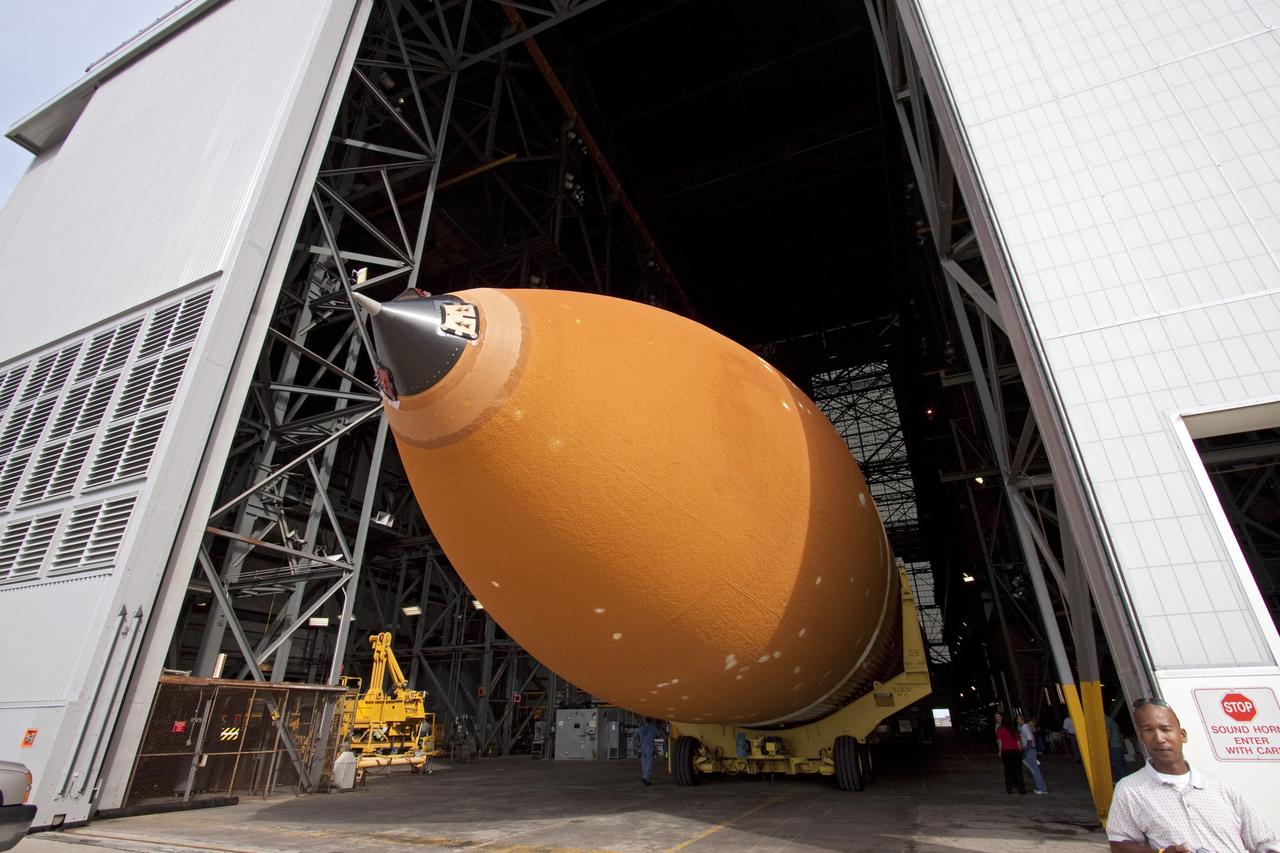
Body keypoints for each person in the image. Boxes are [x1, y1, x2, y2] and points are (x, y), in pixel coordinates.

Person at [1107, 698, 1280, 853]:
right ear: (1141, 737)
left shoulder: (1221, 788)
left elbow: (1265, 842)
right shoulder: (1130, 789)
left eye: (1165, 729)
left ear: (1182, 735)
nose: (1159, 738)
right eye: (1148, 731)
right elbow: (1119, 844)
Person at [1017, 713, 1048, 795]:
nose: (1017, 720)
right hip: (1030, 750)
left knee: (1035, 770)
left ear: (1022, 720)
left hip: (1029, 750)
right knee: (1034, 769)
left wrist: (1027, 748)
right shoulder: (1023, 727)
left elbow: (1029, 738)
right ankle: (1040, 787)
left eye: (1018, 719)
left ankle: (1042, 788)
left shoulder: (1025, 727)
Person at [997, 716, 1026, 795]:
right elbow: (1018, 742)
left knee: (1008, 771)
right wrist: (1020, 751)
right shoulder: (1014, 730)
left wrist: (1000, 751)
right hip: (1015, 751)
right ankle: (1021, 789)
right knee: (1018, 770)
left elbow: (1000, 741)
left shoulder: (1000, 729)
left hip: (1006, 751)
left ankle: (1009, 789)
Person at [632, 718, 661, 786]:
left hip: (642, 748)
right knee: (649, 763)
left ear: (644, 721)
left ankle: (646, 779)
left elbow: (634, 736)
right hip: (649, 748)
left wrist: (638, 743)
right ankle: (645, 778)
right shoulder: (653, 728)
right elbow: (660, 734)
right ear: (651, 721)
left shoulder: (641, 728)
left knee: (644, 764)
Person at [1105, 713, 1128, 782]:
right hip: (1118, 744)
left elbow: (1108, 733)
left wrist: (1106, 744)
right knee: (1121, 763)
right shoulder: (1110, 720)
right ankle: (1123, 779)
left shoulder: (1104, 720)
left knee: (1117, 764)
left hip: (1113, 745)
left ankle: (1121, 781)